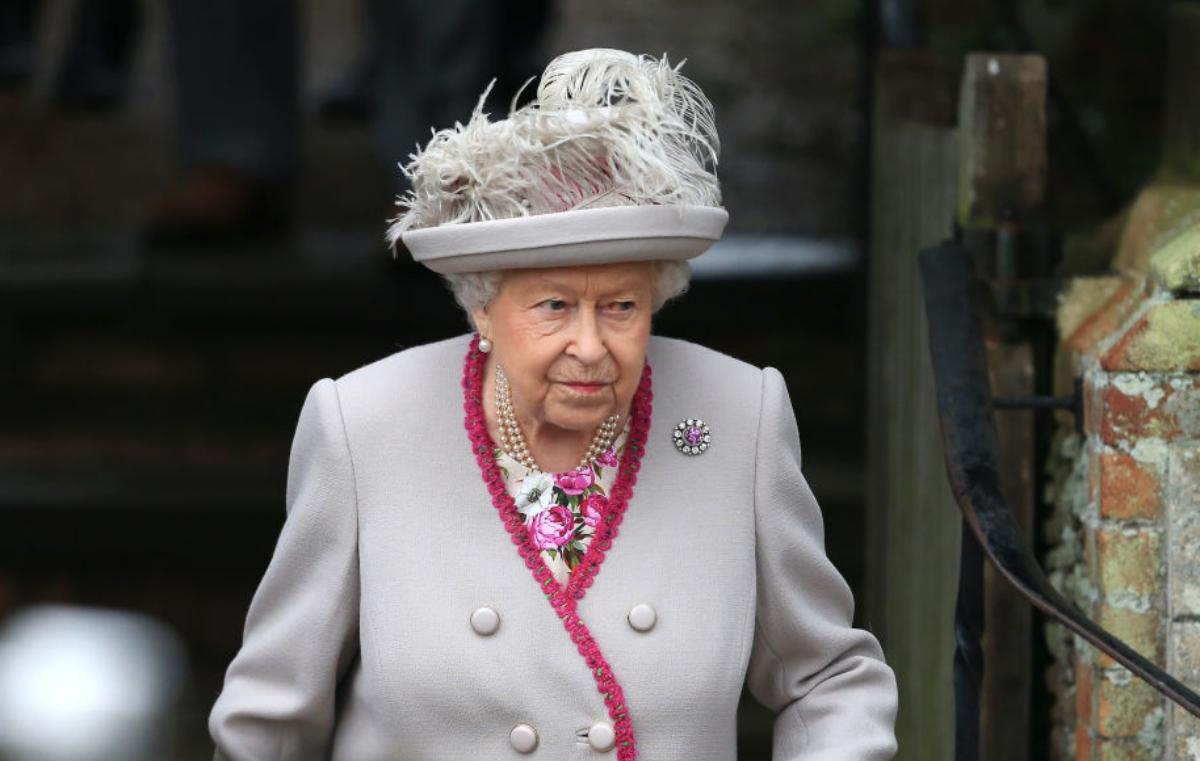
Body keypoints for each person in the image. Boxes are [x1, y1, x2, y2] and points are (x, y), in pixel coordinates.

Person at [208, 48, 898, 760]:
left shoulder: (737, 415)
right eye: (554, 306)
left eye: (622, 306)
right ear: (482, 305)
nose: (591, 345)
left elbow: (828, 677)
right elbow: (270, 720)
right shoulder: (363, 425)